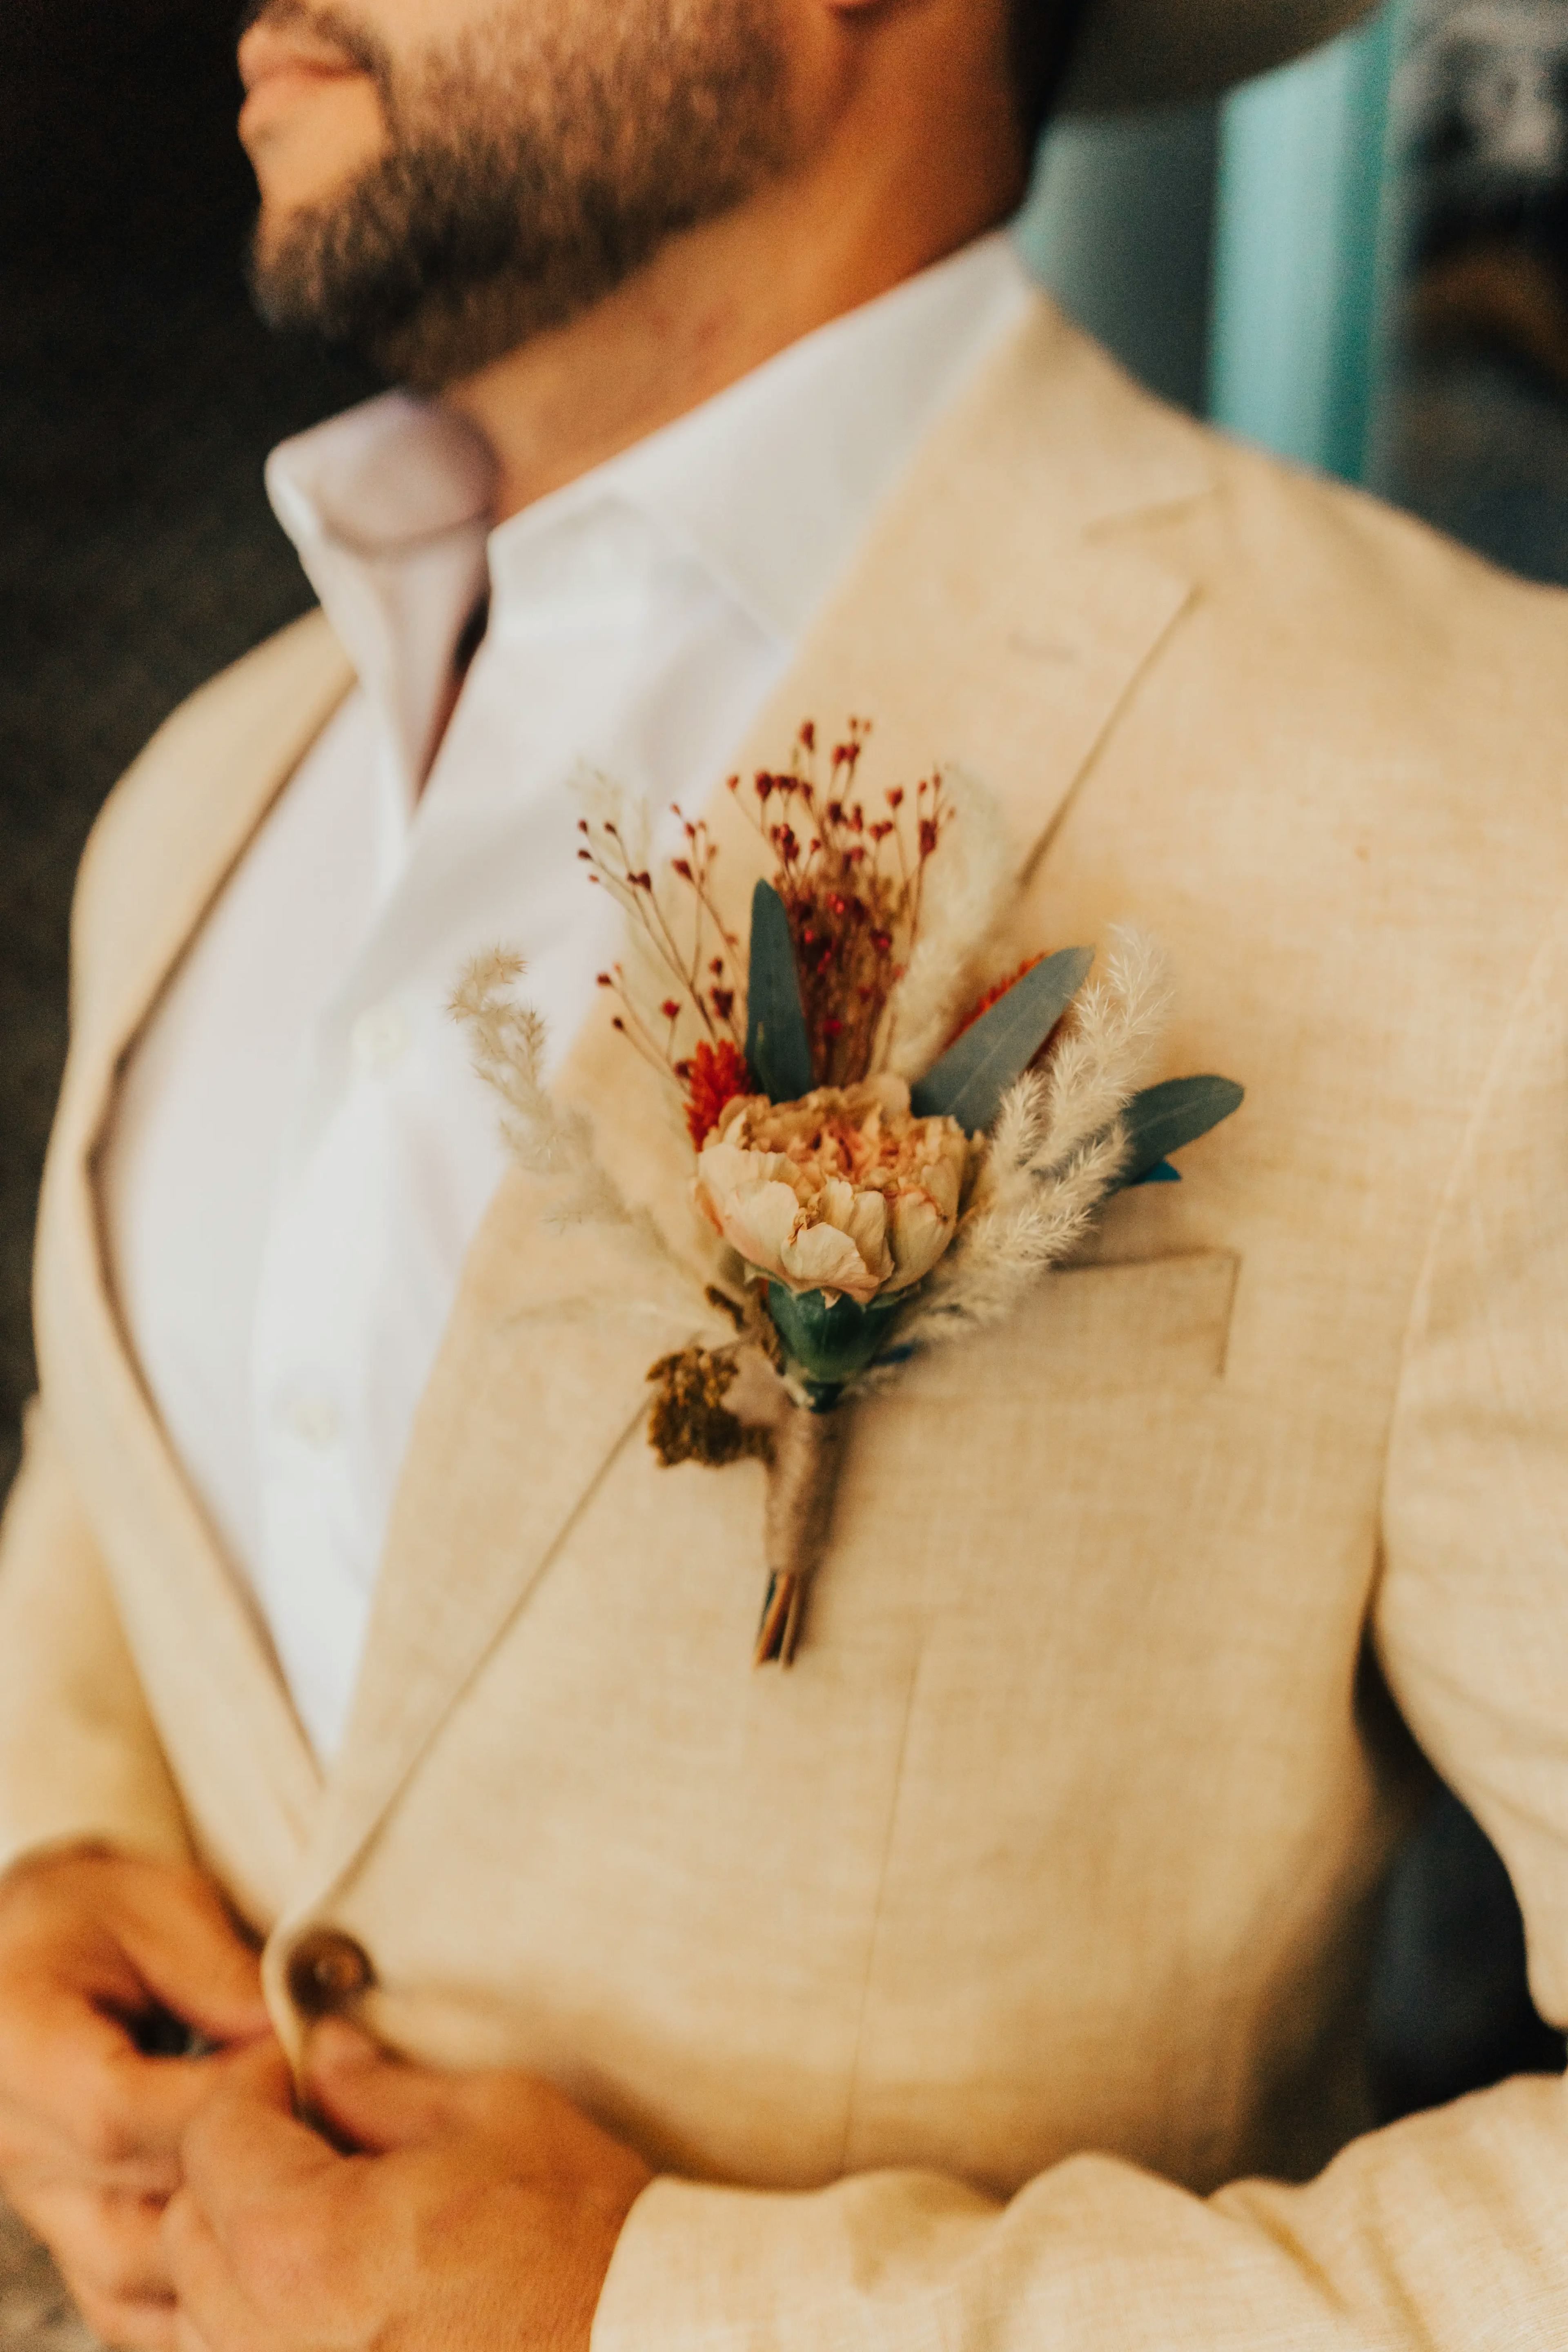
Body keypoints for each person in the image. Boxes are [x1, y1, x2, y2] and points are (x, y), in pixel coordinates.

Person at [3, 0, 1568, 2344]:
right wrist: (41, 1856)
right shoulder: (208, 801)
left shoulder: (1486, 824)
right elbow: (127, 1501)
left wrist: (679, 2315)